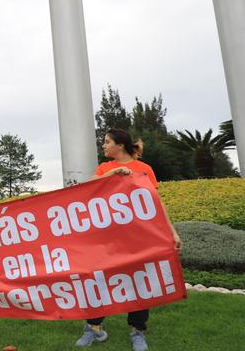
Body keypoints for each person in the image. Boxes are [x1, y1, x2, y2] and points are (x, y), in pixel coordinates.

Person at [75, 128, 183, 351]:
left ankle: (138, 331)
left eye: (106, 142)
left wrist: (172, 231)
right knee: (98, 280)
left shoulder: (144, 169)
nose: (103, 145)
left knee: (140, 281)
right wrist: (112, 175)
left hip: (138, 238)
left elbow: (155, 203)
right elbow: (88, 188)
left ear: (120, 145)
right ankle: (94, 329)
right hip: (107, 238)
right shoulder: (105, 168)